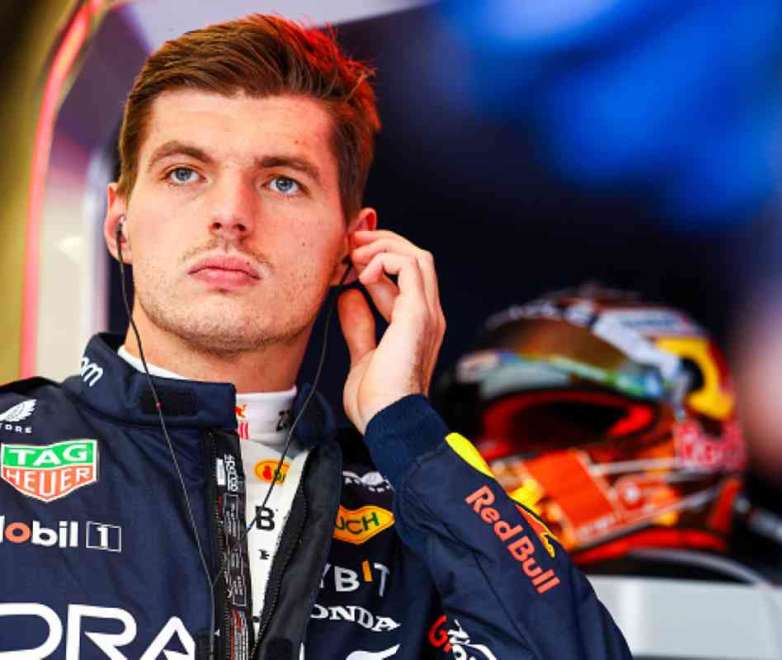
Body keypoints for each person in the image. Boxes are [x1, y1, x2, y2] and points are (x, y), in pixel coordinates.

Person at [0, 14, 631, 659]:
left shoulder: (419, 508)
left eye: (282, 182)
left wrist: (407, 431)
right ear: (119, 222)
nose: (230, 214)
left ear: (349, 248)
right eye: (185, 172)